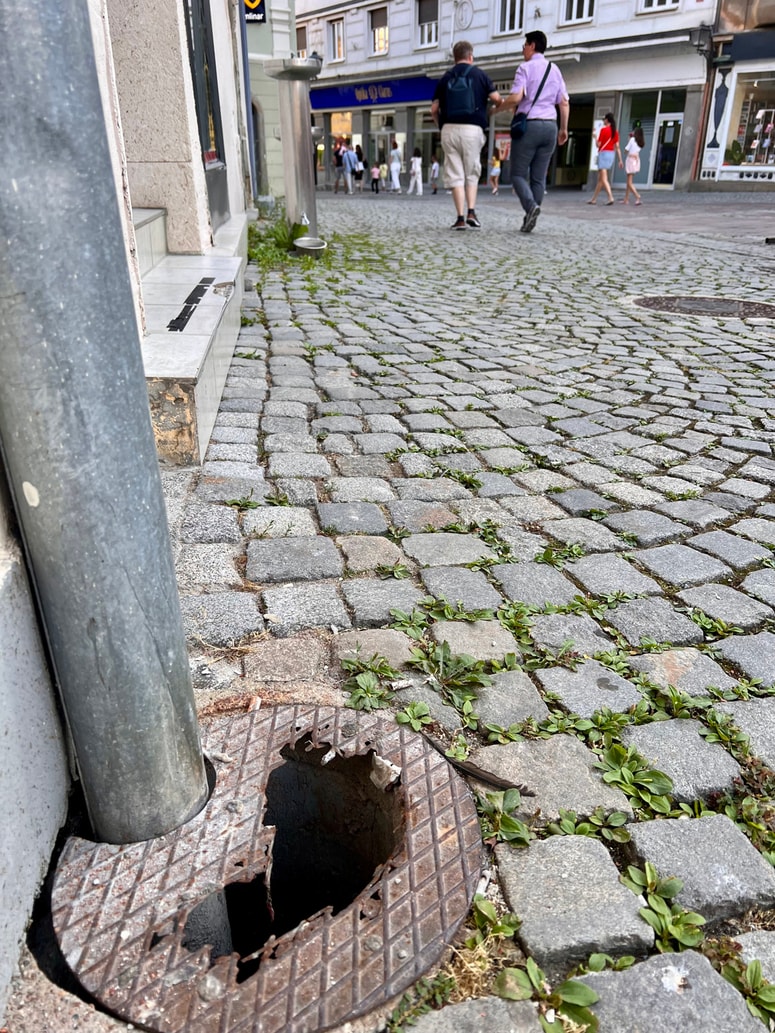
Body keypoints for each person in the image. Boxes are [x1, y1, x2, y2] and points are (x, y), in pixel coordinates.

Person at [498, 30, 569, 234]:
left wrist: (498, 108)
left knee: (518, 174)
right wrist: (563, 129)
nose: (523, 49)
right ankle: (531, 215)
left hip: (530, 125)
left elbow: (516, 97)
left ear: (532, 46)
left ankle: (530, 207)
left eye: (524, 45)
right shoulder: (555, 70)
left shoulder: (525, 68)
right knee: (539, 178)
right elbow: (563, 102)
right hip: (550, 127)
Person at [431, 40, 501, 229]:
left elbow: (434, 109)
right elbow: (497, 99)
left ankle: (460, 218)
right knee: (471, 171)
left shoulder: (445, 78)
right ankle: (471, 211)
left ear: (455, 57)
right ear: (471, 56)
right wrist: (493, 109)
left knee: (455, 174)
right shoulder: (480, 75)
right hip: (473, 129)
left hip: (449, 130)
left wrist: (441, 127)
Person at [587, 112, 623, 205]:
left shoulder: (604, 130)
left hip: (603, 154)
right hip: (611, 154)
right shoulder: (615, 132)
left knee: (603, 179)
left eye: (604, 119)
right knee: (600, 179)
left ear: (607, 120)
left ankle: (610, 197)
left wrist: (595, 137)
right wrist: (620, 160)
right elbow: (617, 146)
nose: (603, 121)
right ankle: (594, 199)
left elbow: (598, 144)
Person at [622, 126, 644, 205]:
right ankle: (626, 199)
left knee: (629, 182)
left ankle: (637, 196)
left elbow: (626, 150)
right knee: (629, 181)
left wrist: (629, 139)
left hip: (630, 160)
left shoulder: (632, 140)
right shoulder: (640, 142)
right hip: (636, 161)